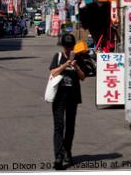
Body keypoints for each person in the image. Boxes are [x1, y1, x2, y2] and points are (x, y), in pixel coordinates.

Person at [49, 33, 86, 170]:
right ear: (63, 46)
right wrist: (65, 65)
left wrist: (76, 67)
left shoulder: (78, 58)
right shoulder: (57, 57)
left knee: (70, 126)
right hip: (59, 98)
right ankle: (58, 156)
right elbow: (53, 73)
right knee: (59, 126)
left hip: (73, 97)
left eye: (70, 47)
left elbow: (83, 78)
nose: (68, 50)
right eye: (66, 47)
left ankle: (67, 151)